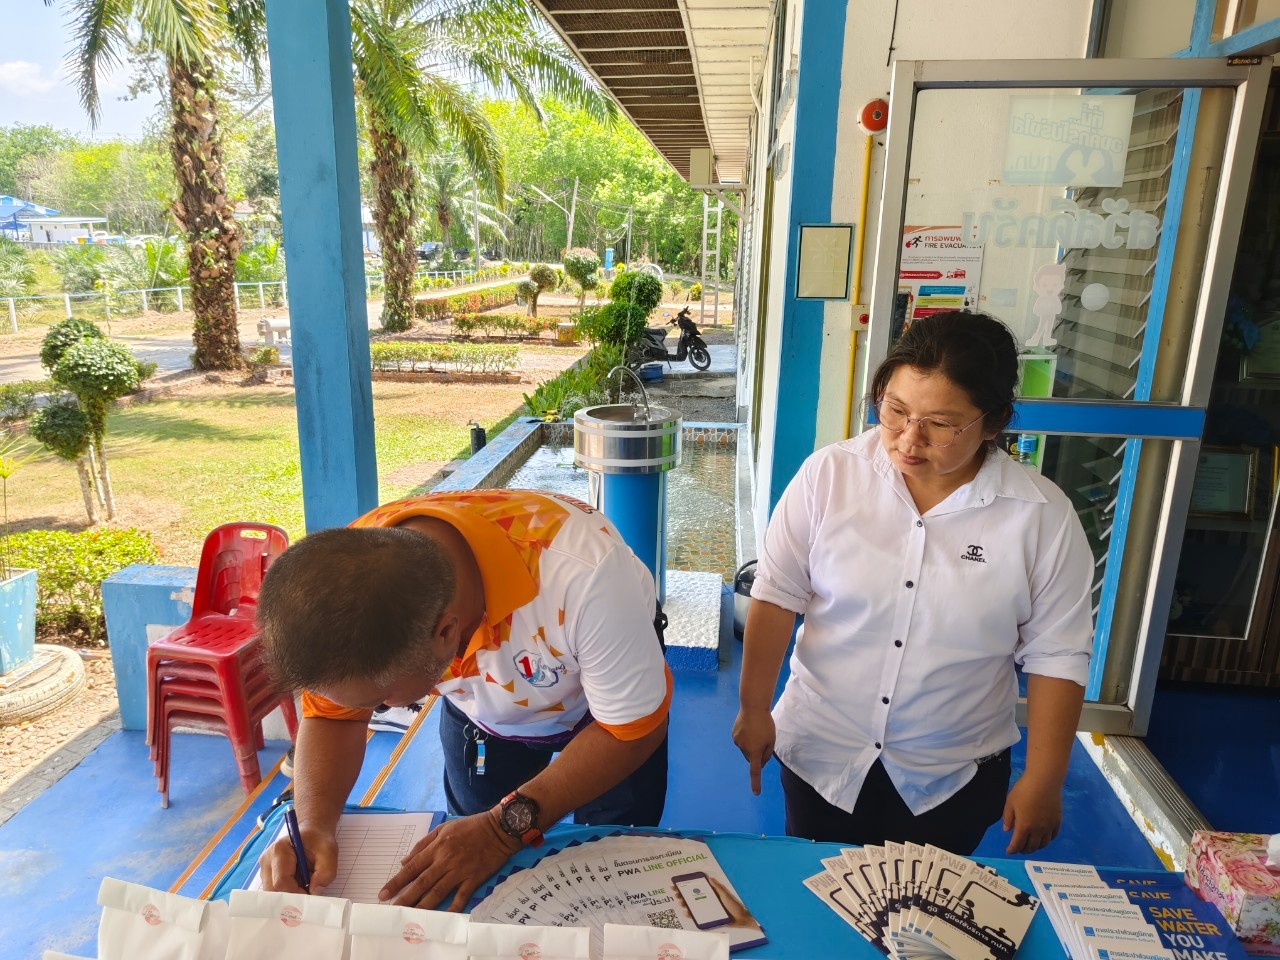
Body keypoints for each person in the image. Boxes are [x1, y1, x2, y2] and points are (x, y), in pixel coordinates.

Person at [733, 310, 1092, 855]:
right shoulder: (830, 476)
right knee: (818, 908)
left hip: (951, 774)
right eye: (896, 410)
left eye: (942, 424)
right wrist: (754, 707)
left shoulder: (1040, 516)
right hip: (822, 755)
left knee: (925, 924)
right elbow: (778, 593)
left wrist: (1044, 779)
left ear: (993, 423)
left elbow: (1058, 655)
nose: (908, 439)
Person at [255, 489, 671, 909]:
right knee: (468, 851)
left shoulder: (587, 579)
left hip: (600, 716)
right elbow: (334, 718)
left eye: (380, 702)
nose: (375, 712)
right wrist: (314, 825)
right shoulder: (344, 587)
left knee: (614, 852)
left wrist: (498, 830)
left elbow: (629, 732)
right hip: (481, 718)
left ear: (446, 635)